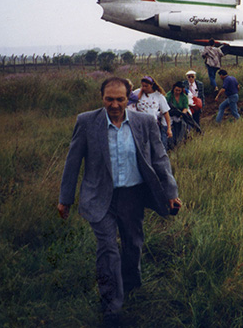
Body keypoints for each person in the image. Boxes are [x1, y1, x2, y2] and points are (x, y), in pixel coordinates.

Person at [58, 77, 181, 323]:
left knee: (133, 243)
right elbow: (73, 161)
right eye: (109, 99)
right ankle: (112, 305)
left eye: (120, 99)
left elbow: (159, 159)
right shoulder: (86, 122)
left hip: (133, 195)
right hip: (99, 196)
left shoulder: (144, 122)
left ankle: (131, 284)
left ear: (129, 99)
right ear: (102, 97)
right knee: (108, 249)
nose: (114, 104)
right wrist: (66, 198)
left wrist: (171, 193)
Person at [134, 76, 172, 150]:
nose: (144, 88)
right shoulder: (137, 92)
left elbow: (166, 112)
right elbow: (129, 101)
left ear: (151, 85)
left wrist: (169, 128)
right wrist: (140, 92)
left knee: (155, 146)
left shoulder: (159, 96)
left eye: (146, 86)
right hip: (139, 124)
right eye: (142, 86)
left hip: (152, 124)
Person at [166, 81, 200, 147]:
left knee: (185, 124)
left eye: (179, 90)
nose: (177, 92)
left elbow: (185, 107)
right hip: (171, 114)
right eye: (176, 90)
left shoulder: (184, 96)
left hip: (181, 114)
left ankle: (182, 141)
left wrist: (182, 114)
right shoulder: (169, 95)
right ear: (173, 89)